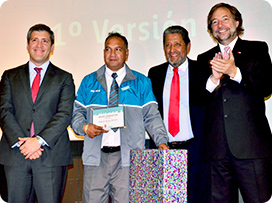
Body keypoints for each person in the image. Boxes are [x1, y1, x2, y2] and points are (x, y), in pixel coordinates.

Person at [71, 32, 169, 203]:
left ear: (127, 53)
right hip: (96, 159)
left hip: (129, 159)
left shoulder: (141, 82)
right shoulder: (89, 81)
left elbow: (152, 116)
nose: (112, 54)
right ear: (103, 53)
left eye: (118, 49)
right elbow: (76, 113)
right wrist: (85, 127)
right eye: (108, 49)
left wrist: (161, 141)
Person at [197, 3, 272, 203]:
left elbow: (266, 88)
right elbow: (198, 101)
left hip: (251, 148)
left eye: (225, 19)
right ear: (210, 29)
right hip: (217, 151)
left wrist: (234, 72)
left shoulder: (257, 48)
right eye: (214, 21)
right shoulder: (203, 58)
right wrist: (213, 80)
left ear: (237, 22)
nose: (220, 25)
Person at [0, 23, 75, 203]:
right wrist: (24, 144)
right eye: (35, 40)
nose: (39, 45)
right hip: (16, 155)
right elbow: (3, 111)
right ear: (27, 45)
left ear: (52, 47)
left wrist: (38, 141)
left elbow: (64, 114)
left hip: (50, 156)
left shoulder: (64, 78)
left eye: (45, 41)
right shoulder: (10, 76)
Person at [148, 25, 207, 203]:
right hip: (165, 150)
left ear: (188, 47)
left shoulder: (202, 71)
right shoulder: (154, 74)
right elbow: (151, 113)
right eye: (167, 45)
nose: (172, 50)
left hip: (195, 150)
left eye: (177, 44)